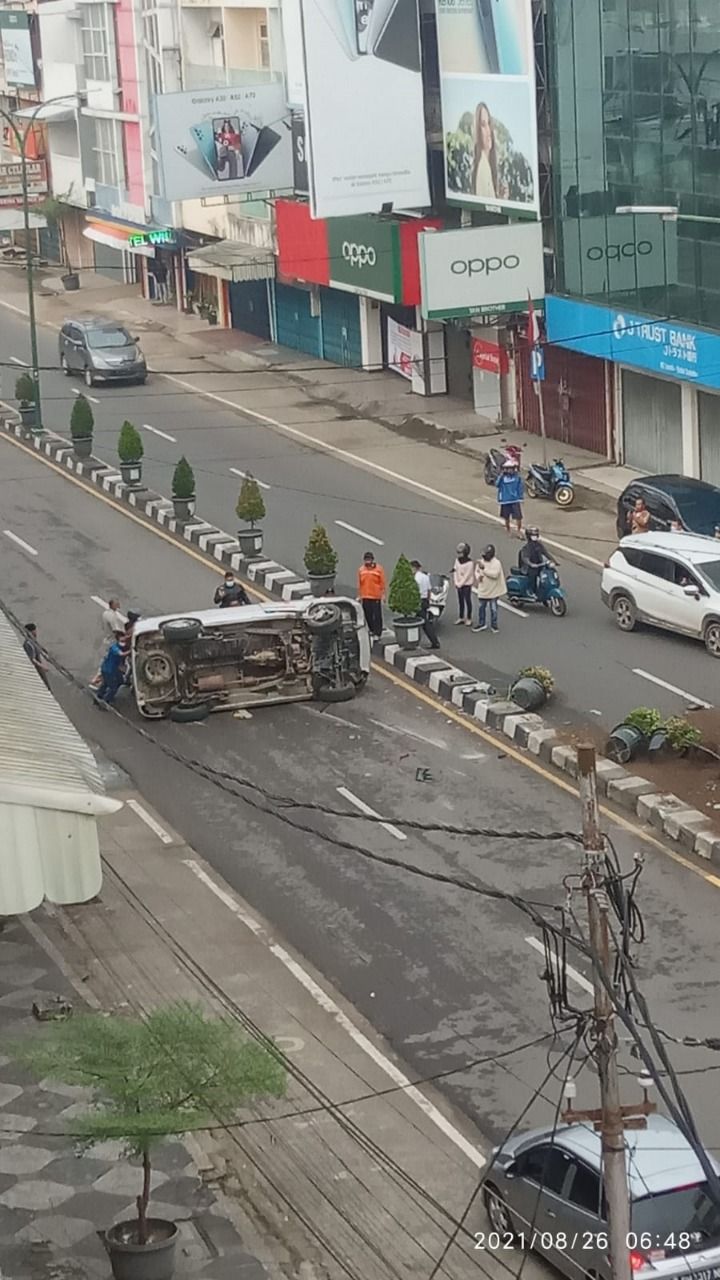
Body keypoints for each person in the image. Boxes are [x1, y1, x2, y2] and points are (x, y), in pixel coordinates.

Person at [472, 103, 504, 200]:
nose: (488, 130)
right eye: (483, 124)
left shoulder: (487, 164)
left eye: (489, 123)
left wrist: (501, 199)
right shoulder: (483, 167)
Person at [472, 545, 506, 633]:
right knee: (481, 608)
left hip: (493, 590)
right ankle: (481, 623)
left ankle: (494, 625)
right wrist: (478, 577)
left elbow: (495, 575)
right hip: (483, 589)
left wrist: (484, 569)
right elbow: (476, 571)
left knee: (493, 609)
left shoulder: (496, 563)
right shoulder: (481, 562)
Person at [410, 560, 440, 649]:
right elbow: (429, 590)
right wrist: (428, 601)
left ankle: (434, 642)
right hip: (424, 600)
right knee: (421, 622)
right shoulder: (425, 577)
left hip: (418, 600)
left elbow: (415, 592)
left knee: (422, 623)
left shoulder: (415, 579)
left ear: (414, 568)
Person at [357, 550, 386, 641]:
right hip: (365, 596)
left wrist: (383, 594)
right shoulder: (361, 570)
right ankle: (372, 630)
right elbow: (360, 584)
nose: (367, 562)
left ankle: (378, 632)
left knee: (377, 615)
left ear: (372, 560)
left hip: (375, 596)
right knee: (368, 615)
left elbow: (382, 583)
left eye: (369, 560)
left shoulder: (379, 569)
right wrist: (359, 596)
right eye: (366, 560)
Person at [519, 526, 554, 597]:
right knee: (533, 575)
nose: (534, 537)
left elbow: (546, 553)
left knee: (547, 573)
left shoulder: (539, 545)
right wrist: (531, 564)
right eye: (533, 535)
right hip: (529, 568)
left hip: (539, 564)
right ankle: (531, 591)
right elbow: (525, 558)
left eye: (535, 535)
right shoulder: (526, 547)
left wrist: (553, 560)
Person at [95, 632, 129, 705]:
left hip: (114, 669)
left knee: (119, 681)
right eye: (122, 641)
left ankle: (100, 693)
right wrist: (130, 651)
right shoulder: (114, 648)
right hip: (108, 670)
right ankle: (106, 700)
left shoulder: (121, 647)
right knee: (113, 687)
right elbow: (121, 654)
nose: (124, 643)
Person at [496, 458, 524, 536]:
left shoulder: (517, 477)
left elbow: (520, 487)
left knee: (518, 517)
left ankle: (519, 531)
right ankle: (508, 530)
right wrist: (500, 476)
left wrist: (520, 497)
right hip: (505, 500)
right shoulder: (502, 478)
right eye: (508, 469)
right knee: (506, 517)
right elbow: (497, 484)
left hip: (515, 500)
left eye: (511, 469)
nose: (510, 470)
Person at [453, 542, 474, 625]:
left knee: (467, 600)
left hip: (466, 585)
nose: (459, 555)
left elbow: (467, 575)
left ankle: (469, 618)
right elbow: (455, 570)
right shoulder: (457, 560)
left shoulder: (470, 563)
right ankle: (461, 617)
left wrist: (460, 584)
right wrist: (456, 582)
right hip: (458, 584)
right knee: (460, 601)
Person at [23, 622, 50, 688]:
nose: (35, 633)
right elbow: (32, 659)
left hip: (40, 670)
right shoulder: (28, 644)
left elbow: (39, 655)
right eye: (34, 631)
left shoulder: (34, 643)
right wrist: (42, 666)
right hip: (34, 672)